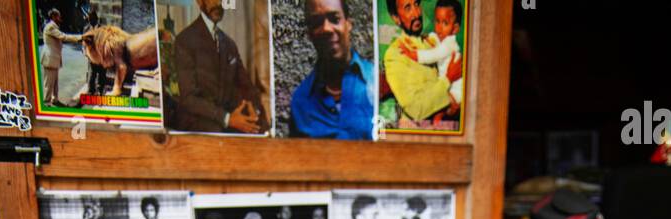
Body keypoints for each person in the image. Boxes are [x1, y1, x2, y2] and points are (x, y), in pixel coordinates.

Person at [172, 0, 270, 134]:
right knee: (217, 131)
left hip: (228, 116)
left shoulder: (229, 44)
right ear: (200, 2)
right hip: (198, 119)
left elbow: (247, 86)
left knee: (260, 126)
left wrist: (255, 111)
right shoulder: (184, 40)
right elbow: (189, 98)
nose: (218, 3)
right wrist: (227, 118)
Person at [290, 0, 375, 141]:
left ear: (348, 24)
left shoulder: (377, 83)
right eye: (317, 23)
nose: (326, 29)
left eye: (334, 19)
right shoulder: (300, 102)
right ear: (309, 34)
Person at [383, 0, 461, 125]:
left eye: (417, 4)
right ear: (396, 18)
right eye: (408, 8)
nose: (417, 13)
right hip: (418, 133)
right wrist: (448, 79)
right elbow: (416, 109)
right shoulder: (395, 55)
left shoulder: (433, 41)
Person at [399, 1, 463, 107]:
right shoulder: (440, 37)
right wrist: (420, 40)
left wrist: (413, 54)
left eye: (445, 23)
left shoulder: (449, 44)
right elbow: (431, 37)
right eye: (437, 21)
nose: (439, 27)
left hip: (456, 88)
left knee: (444, 106)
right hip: (446, 84)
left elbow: (432, 55)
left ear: (455, 28)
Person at [41, 8, 82, 107]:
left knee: (54, 83)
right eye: (58, 16)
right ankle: (46, 103)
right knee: (49, 83)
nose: (60, 18)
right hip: (49, 58)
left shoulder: (54, 26)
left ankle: (55, 100)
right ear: (54, 17)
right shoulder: (51, 27)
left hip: (53, 59)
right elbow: (63, 37)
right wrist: (79, 38)